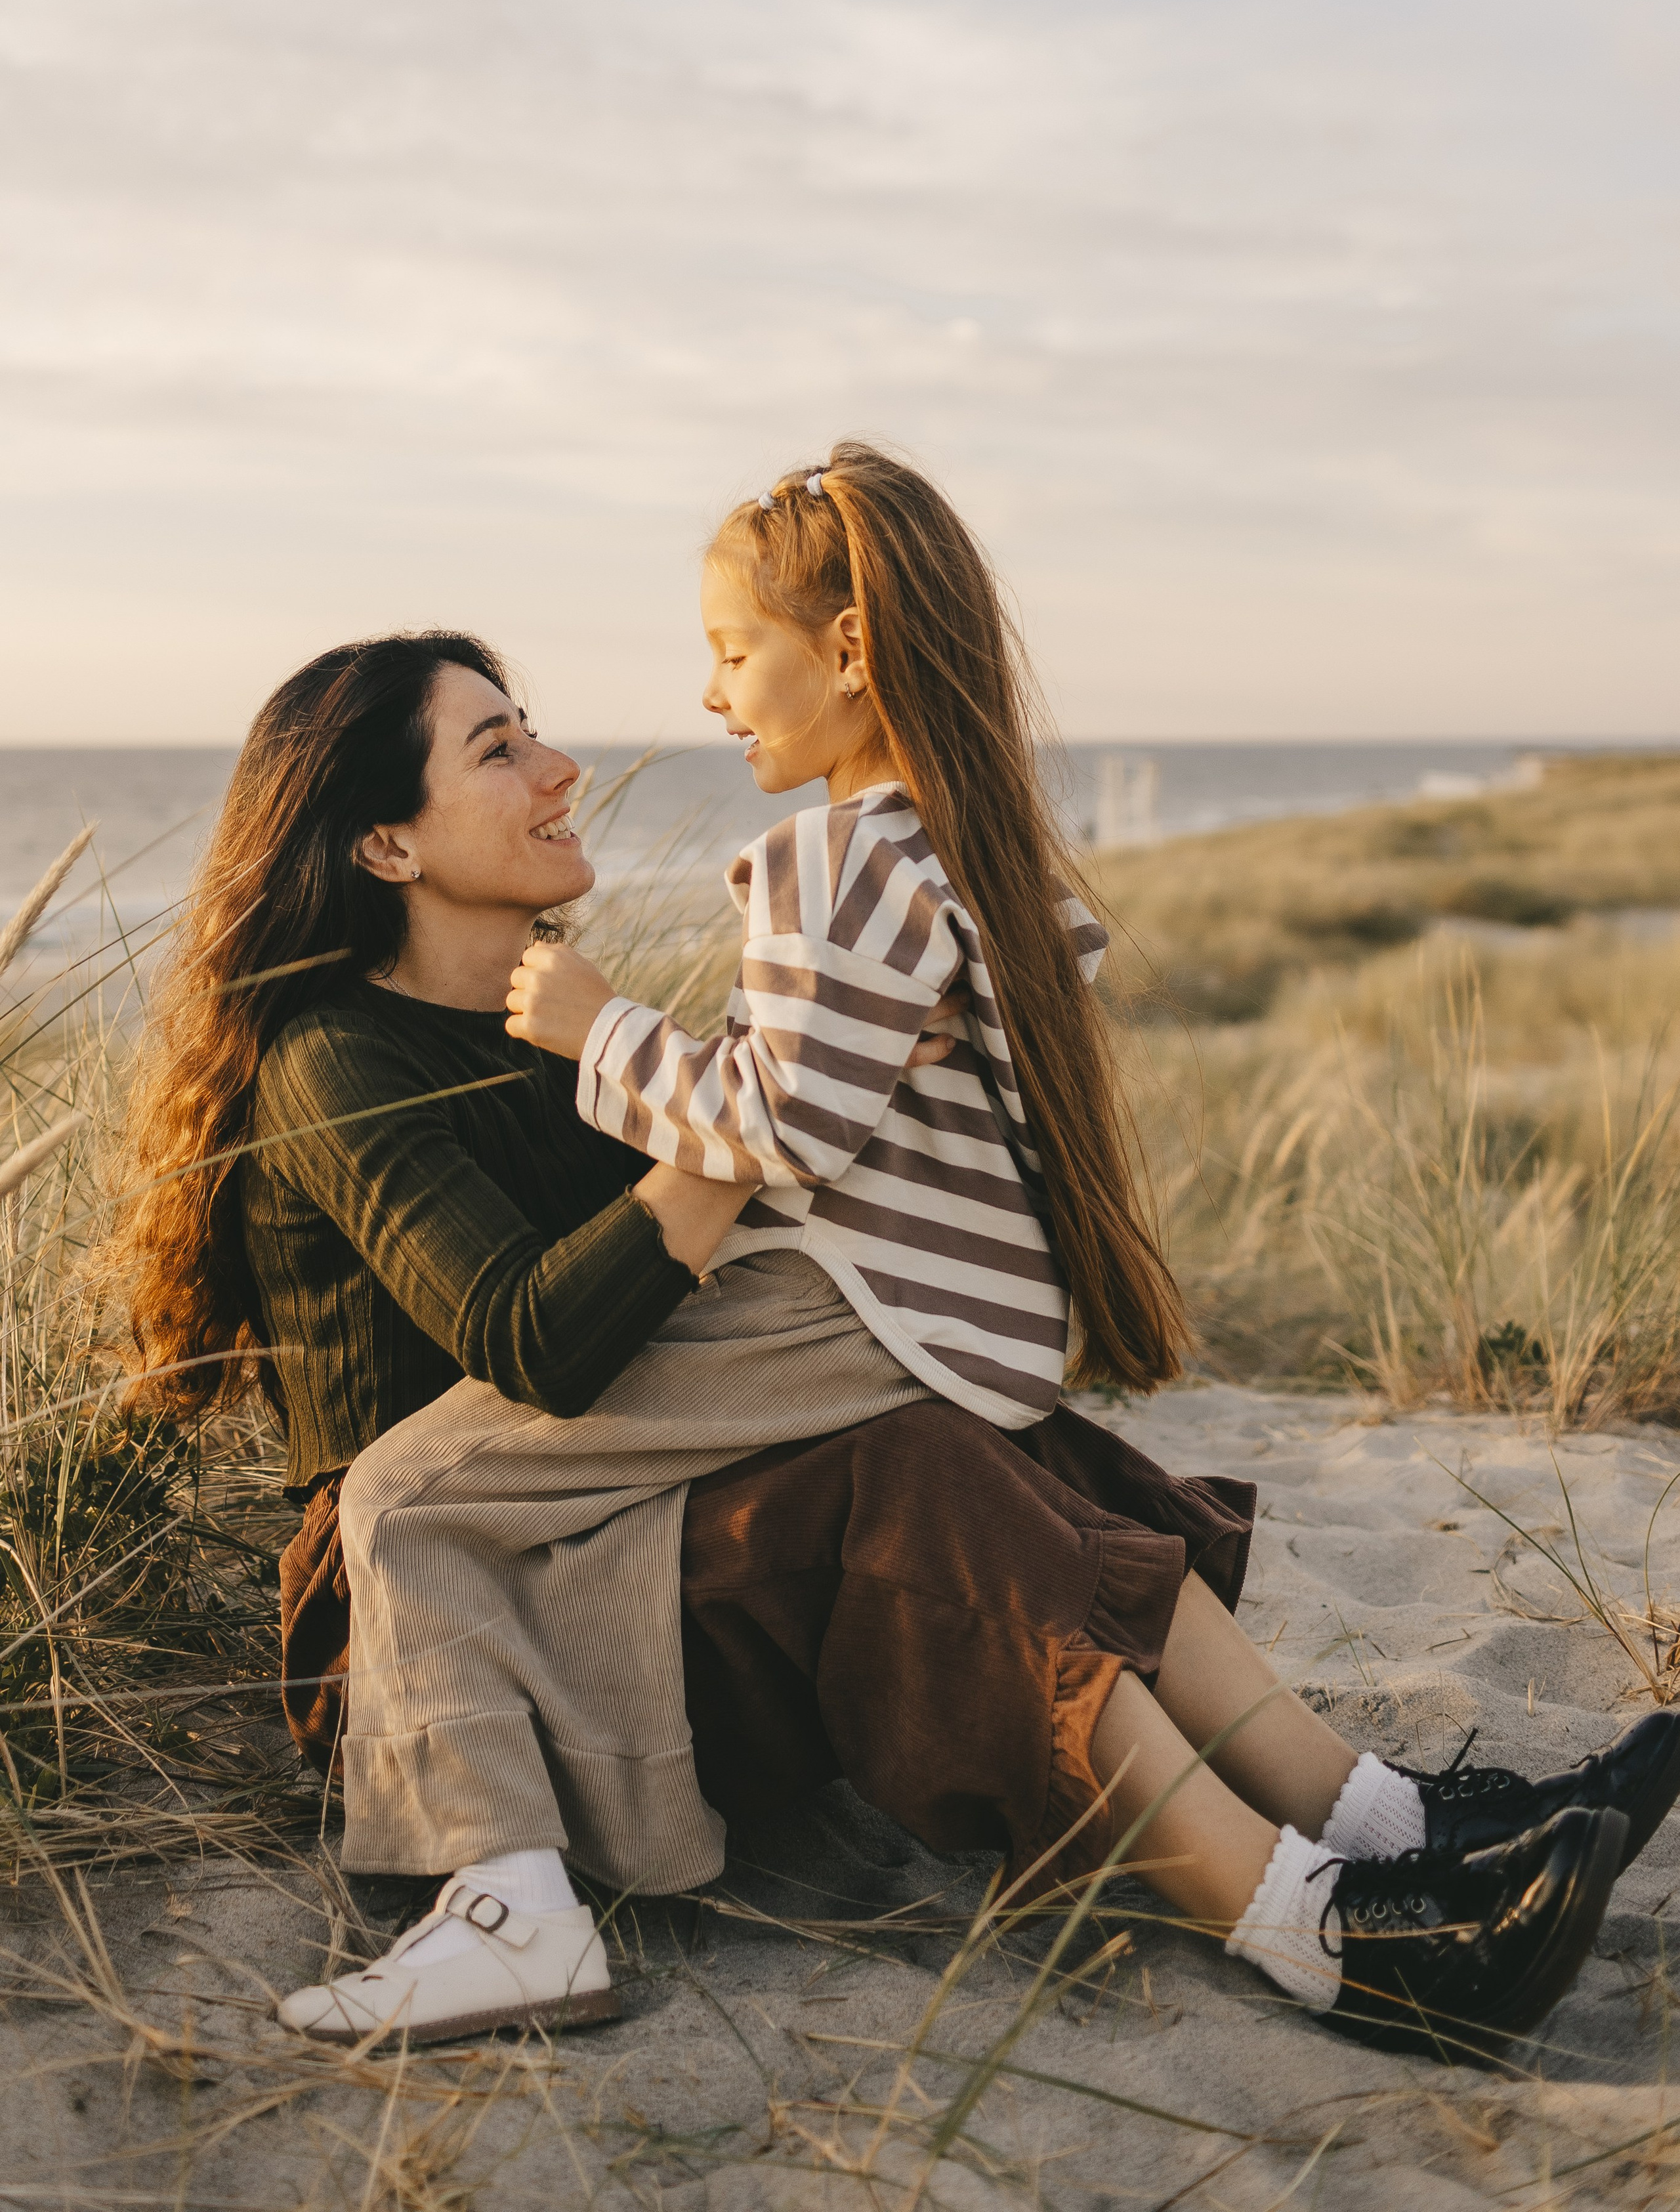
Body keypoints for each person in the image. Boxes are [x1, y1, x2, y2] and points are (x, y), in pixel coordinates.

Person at [114, 618, 1679, 2060]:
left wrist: (833, 1080)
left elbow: (711, 1275)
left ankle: (1382, 1822)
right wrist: (758, 1124)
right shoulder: (335, 1059)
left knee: (979, 1419)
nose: (560, 767)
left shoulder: (548, 1039)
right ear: (387, 840)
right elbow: (540, 1340)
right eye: (498, 748)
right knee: (917, 1468)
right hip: (436, 1635)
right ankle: (1319, 1936)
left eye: (534, 732)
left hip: (611, 1534)